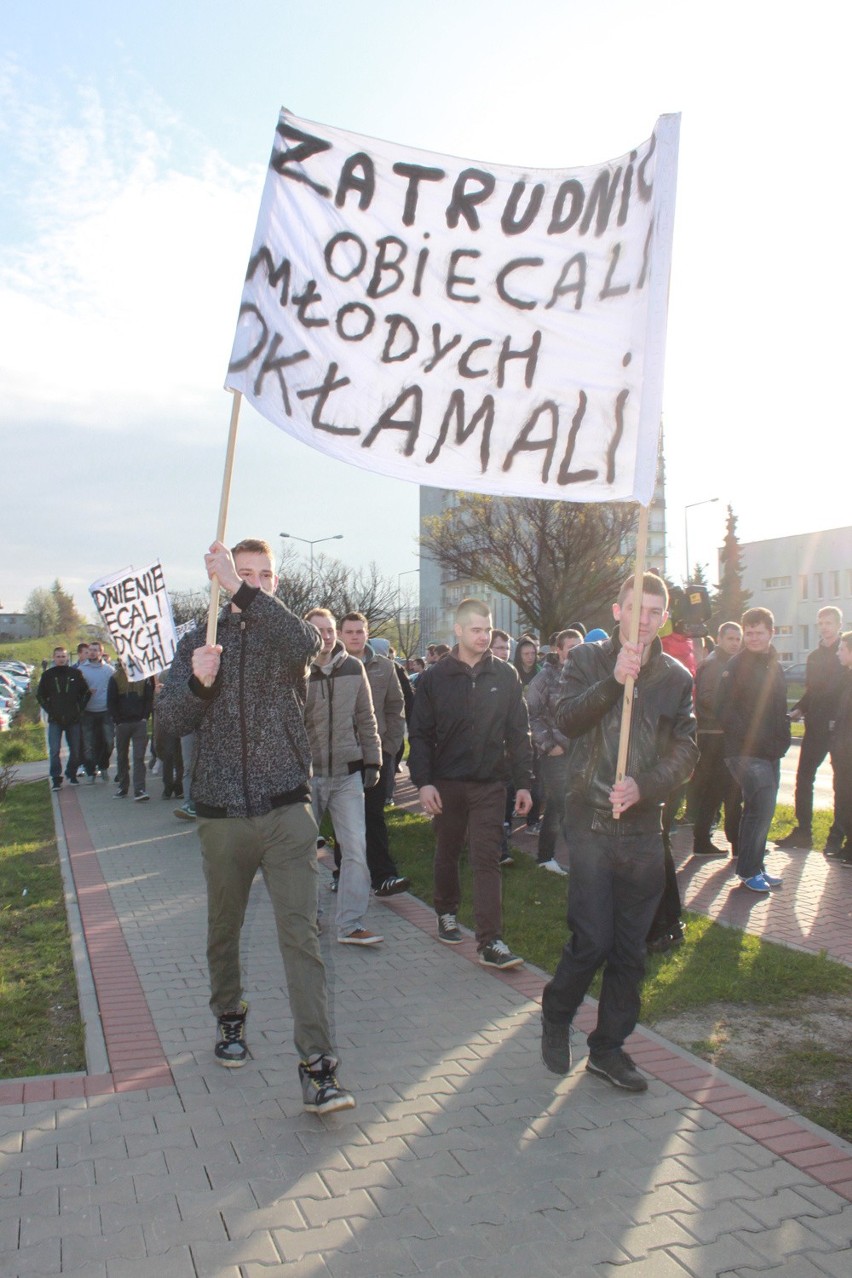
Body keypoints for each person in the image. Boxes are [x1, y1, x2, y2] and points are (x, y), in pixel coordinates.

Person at [157, 538, 354, 1115]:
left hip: (287, 809)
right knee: (225, 926)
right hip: (222, 815)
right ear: (216, 577)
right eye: (242, 573)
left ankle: (318, 1067)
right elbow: (169, 720)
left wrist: (245, 593)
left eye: (264, 575)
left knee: (302, 936)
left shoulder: (279, 632)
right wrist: (197, 681)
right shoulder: (198, 639)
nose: (255, 582)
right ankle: (229, 1017)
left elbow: (309, 642)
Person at [540, 573, 697, 1091]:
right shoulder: (587, 659)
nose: (645, 620)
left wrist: (645, 786)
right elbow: (566, 718)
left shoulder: (675, 677)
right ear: (617, 610)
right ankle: (557, 1012)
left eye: (655, 611)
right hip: (589, 820)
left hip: (642, 829)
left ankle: (608, 1048)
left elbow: (686, 750)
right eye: (636, 609)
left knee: (631, 949)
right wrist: (614, 681)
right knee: (592, 938)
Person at [408, 597, 533, 970]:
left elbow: (518, 732)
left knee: (486, 858)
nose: (483, 636)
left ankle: (490, 941)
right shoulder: (435, 677)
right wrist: (423, 782)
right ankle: (446, 911)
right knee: (448, 849)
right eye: (475, 630)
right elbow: (419, 734)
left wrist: (524, 783)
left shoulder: (505, 675)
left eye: (487, 629)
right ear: (458, 630)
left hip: (490, 783)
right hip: (446, 782)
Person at [304, 607, 384, 946]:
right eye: (318, 629)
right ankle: (308, 919)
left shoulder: (354, 668)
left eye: (329, 629)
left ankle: (351, 923)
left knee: (355, 848)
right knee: (301, 852)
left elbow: (366, 717)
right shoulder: (297, 671)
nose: (325, 635)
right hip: (305, 777)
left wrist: (373, 761)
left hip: (347, 774)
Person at [716, 607, 791, 893]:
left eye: (759, 633)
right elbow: (722, 707)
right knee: (759, 808)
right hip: (744, 750)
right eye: (749, 633)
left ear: (771, 633)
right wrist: (750, 736)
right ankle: (748, 870)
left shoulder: (775, 665)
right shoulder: (735, 666)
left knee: (764, 809)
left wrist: (782, 734)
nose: (753, 638)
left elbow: (778, 707)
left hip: (771, 750)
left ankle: (755, 865)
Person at [337, 612, 409, 896]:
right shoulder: (332, 665)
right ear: (341, 634)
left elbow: (396, 706)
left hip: (376, 754)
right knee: (347, 819)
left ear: (367, 633)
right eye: (349, 631)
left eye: (359, 631)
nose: (355, 636)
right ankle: (343, 874)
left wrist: (389, 747)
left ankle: (384, 876)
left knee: (374, 815)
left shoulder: (385, 667)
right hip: (342, 755)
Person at [777, 606, 845, 852]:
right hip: (815, 727)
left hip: (840, 729)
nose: (824, 627)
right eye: (821, 623)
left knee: (842, 783)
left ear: (839, 624)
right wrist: (798, 709)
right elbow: (812, 691)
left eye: (829, 622)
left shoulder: (845, 653)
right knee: (804, 778)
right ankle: (803, 831)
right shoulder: (814, 656)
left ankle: (836, 837)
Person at [526, 629, 583, 875]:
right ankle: (577, 860)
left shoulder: (586, 674)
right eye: (570, 647)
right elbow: (532, 715)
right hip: (555, 753)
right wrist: (550, 745)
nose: (575, 652)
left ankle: (546, 856)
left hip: (581, 751)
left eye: (579, 646)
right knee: (563, 804)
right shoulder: (544, 678)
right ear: (557, 650)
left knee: (563, 806)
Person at [690, 623, 743, 856]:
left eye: (737, 638)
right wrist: (735, 712)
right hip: (714, 737)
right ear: (719, 638)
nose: (735, 642)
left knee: (725, 791)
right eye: (730, 638)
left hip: (722, 735)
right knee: (723, 791)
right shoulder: (714, 665)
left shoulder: (728, 663)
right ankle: (727, 842)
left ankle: (727, 841)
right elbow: (706, 698)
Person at [36, 646, 90, 788]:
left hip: (73, 719)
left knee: (76, 750)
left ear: (67, 658)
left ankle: (71, 774)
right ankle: (55, 778)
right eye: (58, 656)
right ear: (54, 658)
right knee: (54, 750)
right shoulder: (47, 675)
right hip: (55, 720)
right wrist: (50, 710)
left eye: (63, 656)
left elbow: (86, 693)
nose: (61, 659)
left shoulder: (76, 674)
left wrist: (79, 709)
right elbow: (40, 696)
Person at [108, 664, 155, 800]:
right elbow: (111, 700)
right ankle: (123, 787)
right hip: (122, 723)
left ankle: (140, 789)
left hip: (139, 722)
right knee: (122, 756)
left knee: (139, 757)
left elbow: (148, 698)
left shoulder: (143, 676)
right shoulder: (116, 677)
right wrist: (117, 720)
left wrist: (145, 717)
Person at [830, 631, 852, 866]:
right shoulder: (847, 677)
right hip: (844, 752)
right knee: (844, 799)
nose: (837, 652)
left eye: (842, 649)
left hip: (848, 754)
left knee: (848, 799)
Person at [80, 641, 115, 782]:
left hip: (105, 711)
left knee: (108, 742)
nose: (93, 652)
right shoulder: (82, 670)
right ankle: (90, 771)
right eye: (90, 650)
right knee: (88, 743)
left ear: (101, 652)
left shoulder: (109, 670)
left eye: (96, 650)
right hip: (88, 711)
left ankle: (104, 766)